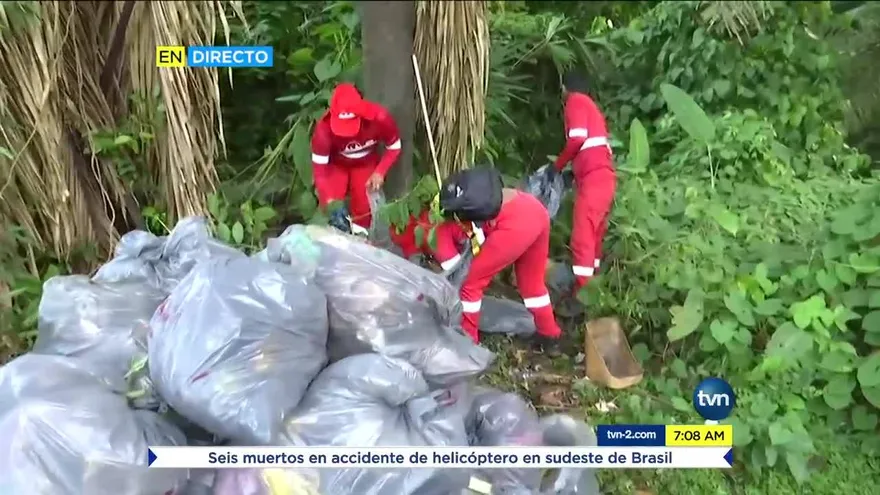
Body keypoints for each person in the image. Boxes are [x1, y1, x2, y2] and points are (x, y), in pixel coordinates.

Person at [390, 168, 563, 347]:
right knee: (532, 284)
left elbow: (455, 273)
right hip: (532, 209)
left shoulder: (435, 233)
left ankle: (468, 342)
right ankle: (550, 335)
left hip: (513, 225)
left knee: (470, 285)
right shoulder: (454, 208)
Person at [546, 70, 617, 294]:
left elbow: (577, 139)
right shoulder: (591, 107)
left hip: (594, 178)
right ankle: (595, 286)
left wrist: (557, 166)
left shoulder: (576, 102)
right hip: (603, 178)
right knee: (594, 236)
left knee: (582, 238)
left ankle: (583, 293)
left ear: (564, 88)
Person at [310, 83, 402, 231]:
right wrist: (329, 199)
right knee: (331, 204)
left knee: (365, 208)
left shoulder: (380, 118)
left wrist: (380, 171)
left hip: (366, 163)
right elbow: (319, 171)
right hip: (337, 165)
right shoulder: (323, 130)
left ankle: (361, 240)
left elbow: (394, 147)